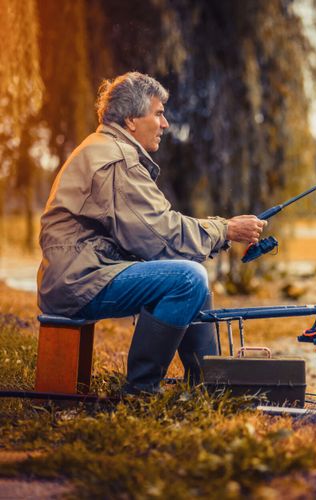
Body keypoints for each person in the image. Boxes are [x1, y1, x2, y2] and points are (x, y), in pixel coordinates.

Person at [37, 72, 266, 394]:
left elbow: (153, 234)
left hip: (79, 276)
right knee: (187, 278)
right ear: (131, 119)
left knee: (192, 277)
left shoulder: (105, 148)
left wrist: (218, 232)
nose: (165, 123)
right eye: (158, 113)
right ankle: (141, 390)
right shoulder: (117, 160)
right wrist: (225, 229)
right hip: (80, 283)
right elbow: (160, 235)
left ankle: (211, 385)